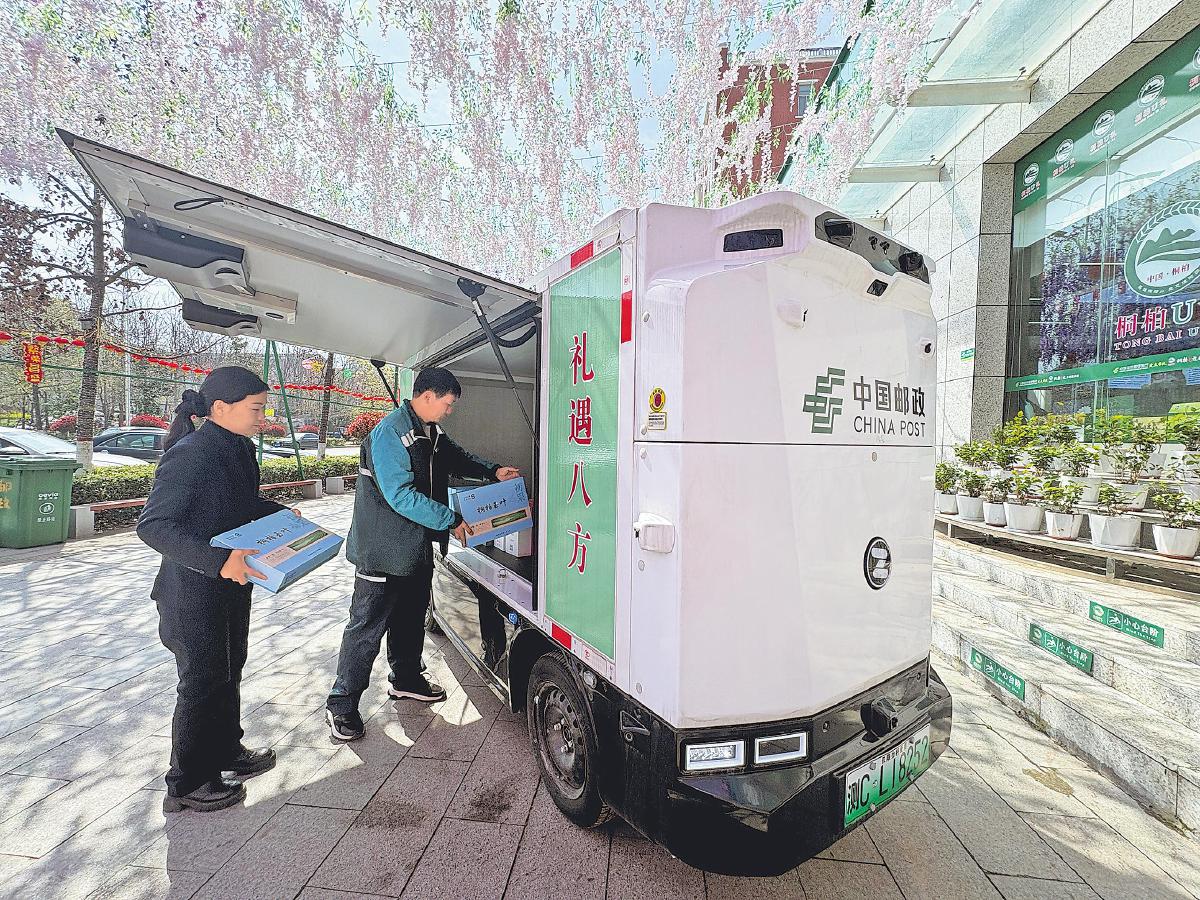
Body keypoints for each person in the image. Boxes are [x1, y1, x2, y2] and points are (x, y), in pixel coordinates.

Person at [326, 367, 520, 741]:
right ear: (427, 396)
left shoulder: (430, 431)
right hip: (382, 551)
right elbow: (400, 496)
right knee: (366, 628)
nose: (449, 411)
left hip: (413, 549)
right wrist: (451, 519)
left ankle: (406, 679)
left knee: (411, 618)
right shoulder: (390, 434)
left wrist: (493, 471)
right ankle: (342, 704)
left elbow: (455, 457)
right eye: (448, 404)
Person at [138, 367, 291, 812]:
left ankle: (226, 750)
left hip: (231, 584)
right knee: (201, 682)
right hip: (192, 590)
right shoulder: (191, 453)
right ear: (221, 408)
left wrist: (280, 513)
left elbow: (238, 505)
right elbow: (154, 526)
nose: (263, 418)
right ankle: (187, 782)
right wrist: (217, 560)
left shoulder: (239, 448)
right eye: (256, 409)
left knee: (229, 669)